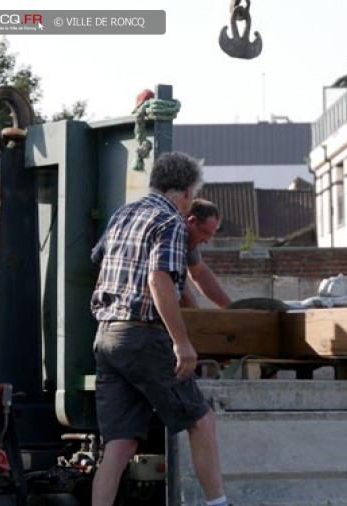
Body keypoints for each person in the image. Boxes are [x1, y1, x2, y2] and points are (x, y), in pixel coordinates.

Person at [90, 151, 230, 506]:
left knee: (119, 445)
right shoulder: (169, 221)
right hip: (144, 334)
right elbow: (159, 279)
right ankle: (218, 504)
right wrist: (182, 343)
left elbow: (99, 260)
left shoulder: (123, 214)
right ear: (186, 192)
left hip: (107, 334)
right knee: (201, 421)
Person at [182, 199, 232, 308]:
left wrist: (230, 309)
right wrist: (199, 319)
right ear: (191, 221)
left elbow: (199, 274)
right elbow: (178, 288)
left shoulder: (191, 242)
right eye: (205, 232)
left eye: (211, 235)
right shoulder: (172, 237)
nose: (206, 240)